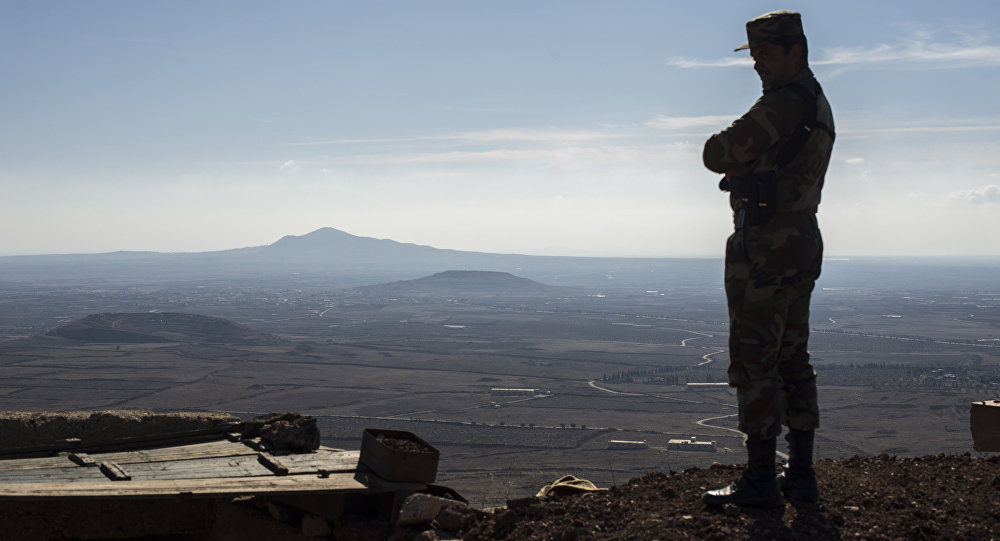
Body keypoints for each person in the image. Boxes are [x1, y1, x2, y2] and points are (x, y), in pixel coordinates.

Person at [700, 10, 835, 507]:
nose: (757, 64)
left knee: (756, 359)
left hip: (767, 244)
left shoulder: (784, 103)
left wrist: (740, 159)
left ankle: (760, 479)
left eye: (765, 54)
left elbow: (717, 152)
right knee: (793, 357)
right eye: (753, 55)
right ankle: (800, 473)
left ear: (794, 52)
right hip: (800, 238)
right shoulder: (815, 101)